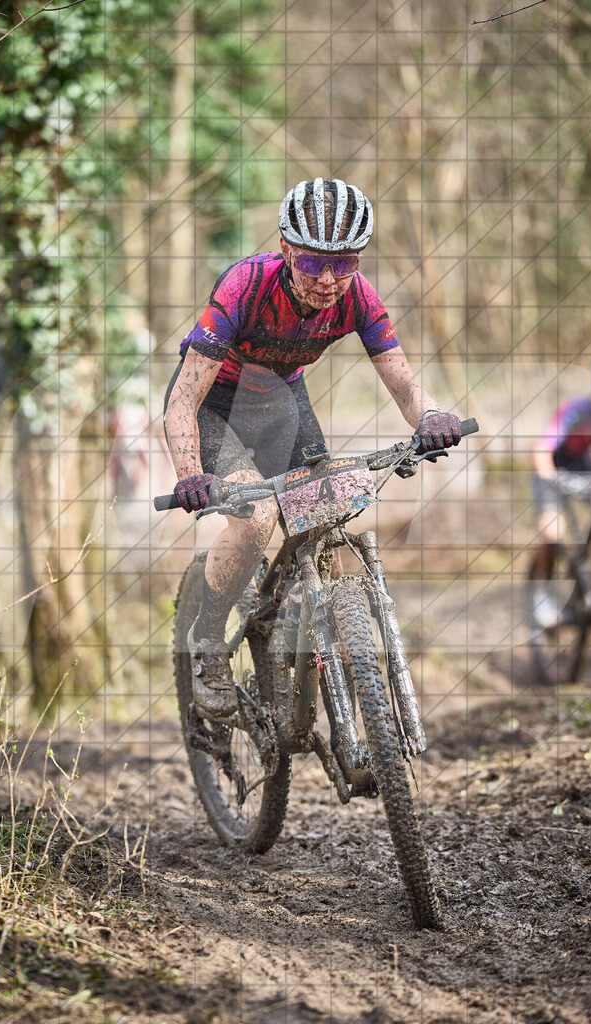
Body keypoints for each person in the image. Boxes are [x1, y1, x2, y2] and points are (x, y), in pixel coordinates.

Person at [164, 177, 462, 718]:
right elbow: (183, 400)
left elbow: (403, 382)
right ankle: (208, 639)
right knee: (254, 520)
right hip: (217, 405)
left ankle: (304, 624)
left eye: (344, 264)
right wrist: (190, 472)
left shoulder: (359, 298)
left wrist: (432, 417)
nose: (328, 280)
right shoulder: (245, 286)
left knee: (325, 506)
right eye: (311, 263)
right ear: (285, 250)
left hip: (282, 399)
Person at [531, 347, 591, 627]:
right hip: (552, 468)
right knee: (553, 530)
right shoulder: (575, 411)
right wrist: (552, 476)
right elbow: (541, 451)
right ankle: (542, 595)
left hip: (582, 466)